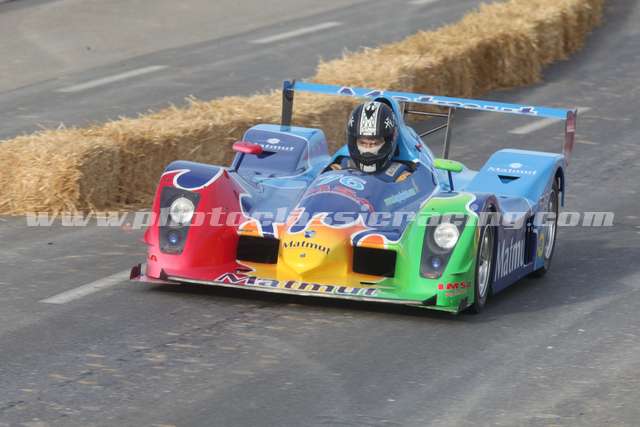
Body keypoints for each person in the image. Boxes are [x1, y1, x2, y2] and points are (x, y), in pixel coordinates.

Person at [328, 101, 413, 183]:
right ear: (354, 142)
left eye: (374, 143)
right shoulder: (340, 166)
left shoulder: (401, 175)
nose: (367, 149)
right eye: (363, 143)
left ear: (390, 141)